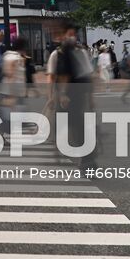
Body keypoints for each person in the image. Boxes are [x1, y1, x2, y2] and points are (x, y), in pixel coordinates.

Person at [47, 24, 97, 171]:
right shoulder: (57, 54)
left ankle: (87, 160)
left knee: (79, 127)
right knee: (65, 126)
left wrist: (91, 97)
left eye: (74, 34)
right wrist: (52, 96)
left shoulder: (81, 53)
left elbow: (88, 75)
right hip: (64, 96)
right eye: (69, 34)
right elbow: (53, 77)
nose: (72, 37)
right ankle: (71, 152)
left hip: (77, 95)